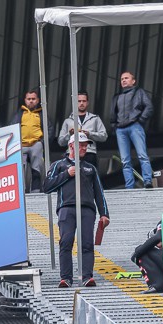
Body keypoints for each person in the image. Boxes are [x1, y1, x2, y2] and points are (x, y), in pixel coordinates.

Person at [42, 132, 110, 288]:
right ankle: (66, 278)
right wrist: (66, 174)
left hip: (87, 209)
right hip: (66, 208)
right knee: (66, 242)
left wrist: (104, 214)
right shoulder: (59, 165)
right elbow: (46, 187)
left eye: (86, 145)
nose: (85, 148)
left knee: (87, 243)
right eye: (82, 145)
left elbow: (99, 192)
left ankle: (87, 276)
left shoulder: (90, 168)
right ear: (71, 145)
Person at [110, 70, 154, 189]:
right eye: (122, 79)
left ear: (133, 81)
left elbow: (149, 107)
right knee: (125, 160)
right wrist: (114, 125)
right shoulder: (117, 96)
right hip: (120, 129)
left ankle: (147, 181)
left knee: (142, 155)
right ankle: (129, 186)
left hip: (135, 126)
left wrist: (140, 120)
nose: (123, 80)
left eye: (126, 78)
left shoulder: (139, 92)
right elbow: (113, 113)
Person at [12, 88, 51, 191]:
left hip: (36, 144)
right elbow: (12, 129)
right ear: (25, 100)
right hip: (22, 145)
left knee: (37, 170)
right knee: (20, 171)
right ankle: (21, 192)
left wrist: (43, 143)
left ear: (37, 100)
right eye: (29, 99)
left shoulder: (41, 114)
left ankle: (36, 191)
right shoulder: (19, 114)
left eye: (33, 99)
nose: (31, 101)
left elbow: (49, 129)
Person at [57, 91, 108, 169]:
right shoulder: (68, 121)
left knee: (90, 176)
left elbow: (104, 136)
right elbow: (60, 142)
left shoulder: (95, 119)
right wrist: (70, 134)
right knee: (71, 176)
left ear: (87, 103)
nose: (81, 103)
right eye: (79, 101)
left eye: (84, 101)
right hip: (72, 154)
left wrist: (89, 134)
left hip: (89, 152)